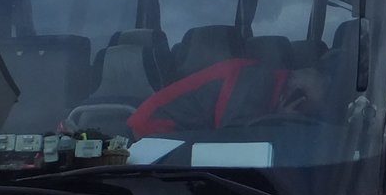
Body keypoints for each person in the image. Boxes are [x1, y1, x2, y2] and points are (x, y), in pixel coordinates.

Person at [127, 57, 332, 137]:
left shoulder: (266, 82)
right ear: (297, 96)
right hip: (156, 128)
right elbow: (232, 137)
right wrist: (283, 119)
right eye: (308, 110)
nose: (306, 116)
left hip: (180, 129)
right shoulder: (255, 81)